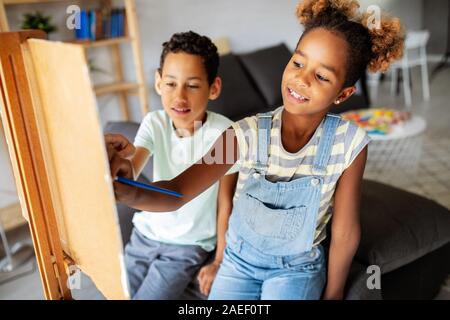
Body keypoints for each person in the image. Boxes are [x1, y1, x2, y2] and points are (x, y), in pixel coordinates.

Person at [109, 0, 404, 300]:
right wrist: (127, 191)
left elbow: (344, 231)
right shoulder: (243, 134)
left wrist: (334, 292)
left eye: (321, 76)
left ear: (343, 94)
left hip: (296, 269)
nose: (301, 79)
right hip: (238, 262)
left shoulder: (350, 143)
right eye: (298, 63)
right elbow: (177, 191)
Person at [106, 31, 238, 299]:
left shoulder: (226, 135)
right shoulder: (154, 122)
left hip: (187, 247)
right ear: (158, 82)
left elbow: (227, 204)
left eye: (192, 85)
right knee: (114, 294)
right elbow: (132, 168)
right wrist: (119, 158)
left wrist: (219, 261)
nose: (179, 97)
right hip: (143, 236)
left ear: (213, 88)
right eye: (170, 84)